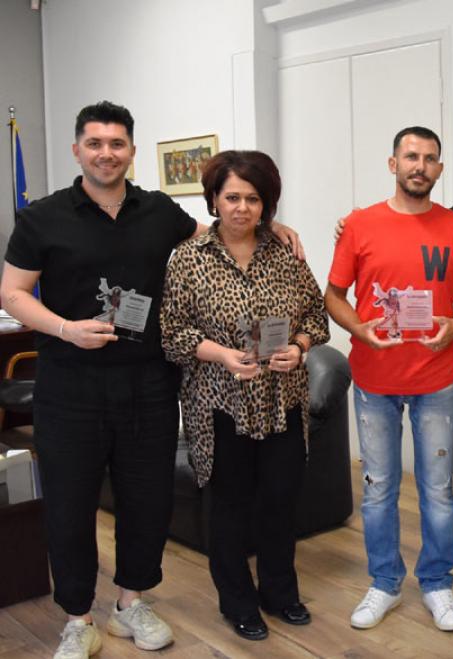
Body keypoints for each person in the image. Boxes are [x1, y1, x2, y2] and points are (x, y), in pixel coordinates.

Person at [0, 101, 301, 659]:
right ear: (77, 150)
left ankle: (130, 604)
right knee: (69, 506)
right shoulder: (42, 217)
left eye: (117, 144)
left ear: (132, 152)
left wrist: (270, 226)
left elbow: (217, 235)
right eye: (95, 143)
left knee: (146, 501)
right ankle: (77, 617)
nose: (106, 153)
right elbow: (12, 293)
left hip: (148, 386)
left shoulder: (159, 211)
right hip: (70, 387)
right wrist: (66, 329)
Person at [160, 150, 328, 641]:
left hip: (282, 399)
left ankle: (280, 593)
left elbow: (316, 317)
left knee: (280, 501)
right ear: (214, 199)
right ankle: (237, 601)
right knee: (228, 507)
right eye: (232, 197)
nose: (242, 208)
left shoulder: (286, 254)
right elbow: (172, 333)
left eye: (253, 199)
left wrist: (299, 348)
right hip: (219, 404)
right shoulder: (189, 258)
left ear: (266, 204)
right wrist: (222, 355)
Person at [325, 126, 453, 631]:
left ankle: (437, 583)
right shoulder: (359, 224)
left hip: (436, 378)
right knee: (378, 489)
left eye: (430, 158)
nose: (420, 165)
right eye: (411, 156)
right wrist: (359, 329)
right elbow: (334, 296)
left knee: (438, 491)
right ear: (393, 164)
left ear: (440, 168)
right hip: (374, 379)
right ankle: (385, 582)